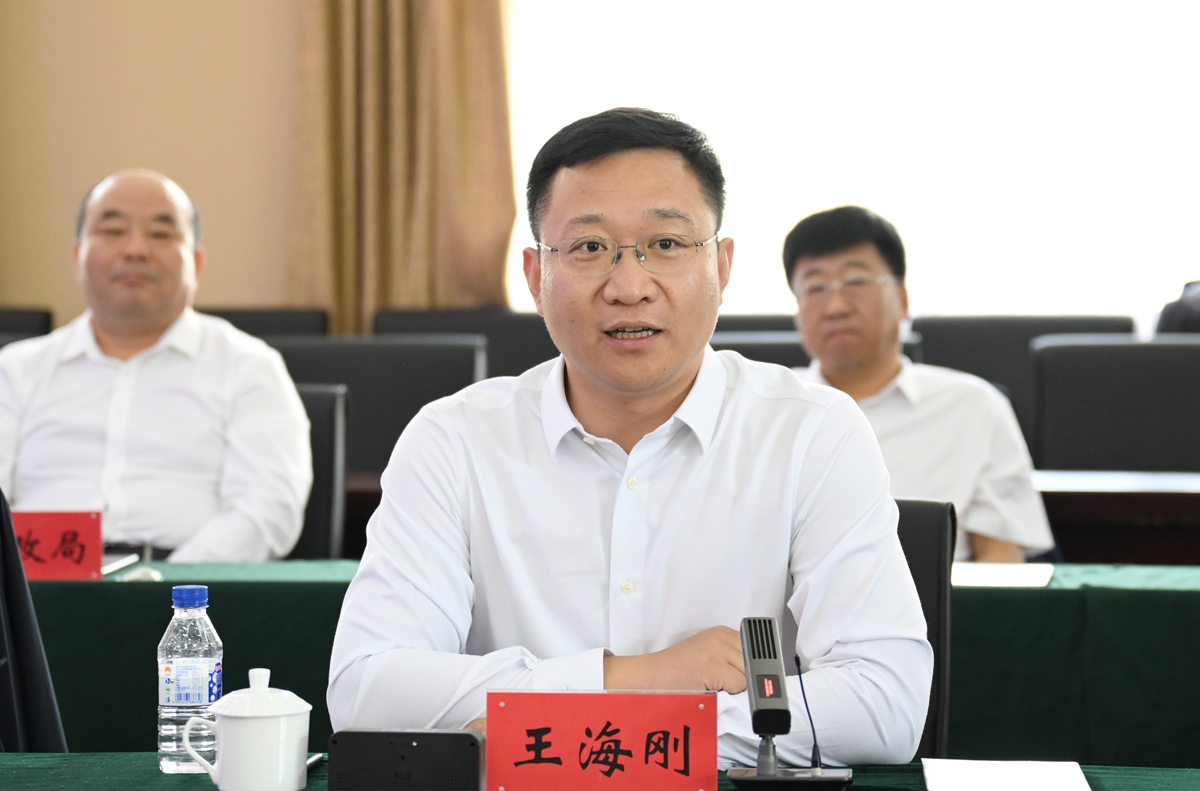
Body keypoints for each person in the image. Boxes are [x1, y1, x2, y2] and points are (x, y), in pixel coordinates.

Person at [328, 109, 932, 767]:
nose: (629, 286)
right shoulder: (454, 439)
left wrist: (557, 728)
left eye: (666, 244)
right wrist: (639, 677)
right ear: (534, 277)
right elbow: (366, 691)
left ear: (722, 265)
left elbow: (884, 704)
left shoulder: (812, 431)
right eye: (590, 248)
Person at [0, 169, 312, 562]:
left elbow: (268, 509)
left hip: (192, 587)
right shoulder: (15, 371)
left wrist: (169, 584)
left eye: (161, 234)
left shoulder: (249, 367)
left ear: (196, 262)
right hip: (34, 585)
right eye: (113, 231)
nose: (135, 250)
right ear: (77, 256)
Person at [785, 206, 1055, 562]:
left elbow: (1000, 558)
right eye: (815, 287)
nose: (835, 306)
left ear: (902, 300)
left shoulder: (974, 407)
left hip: (939, 596)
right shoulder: (769, 409)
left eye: (856, 282)